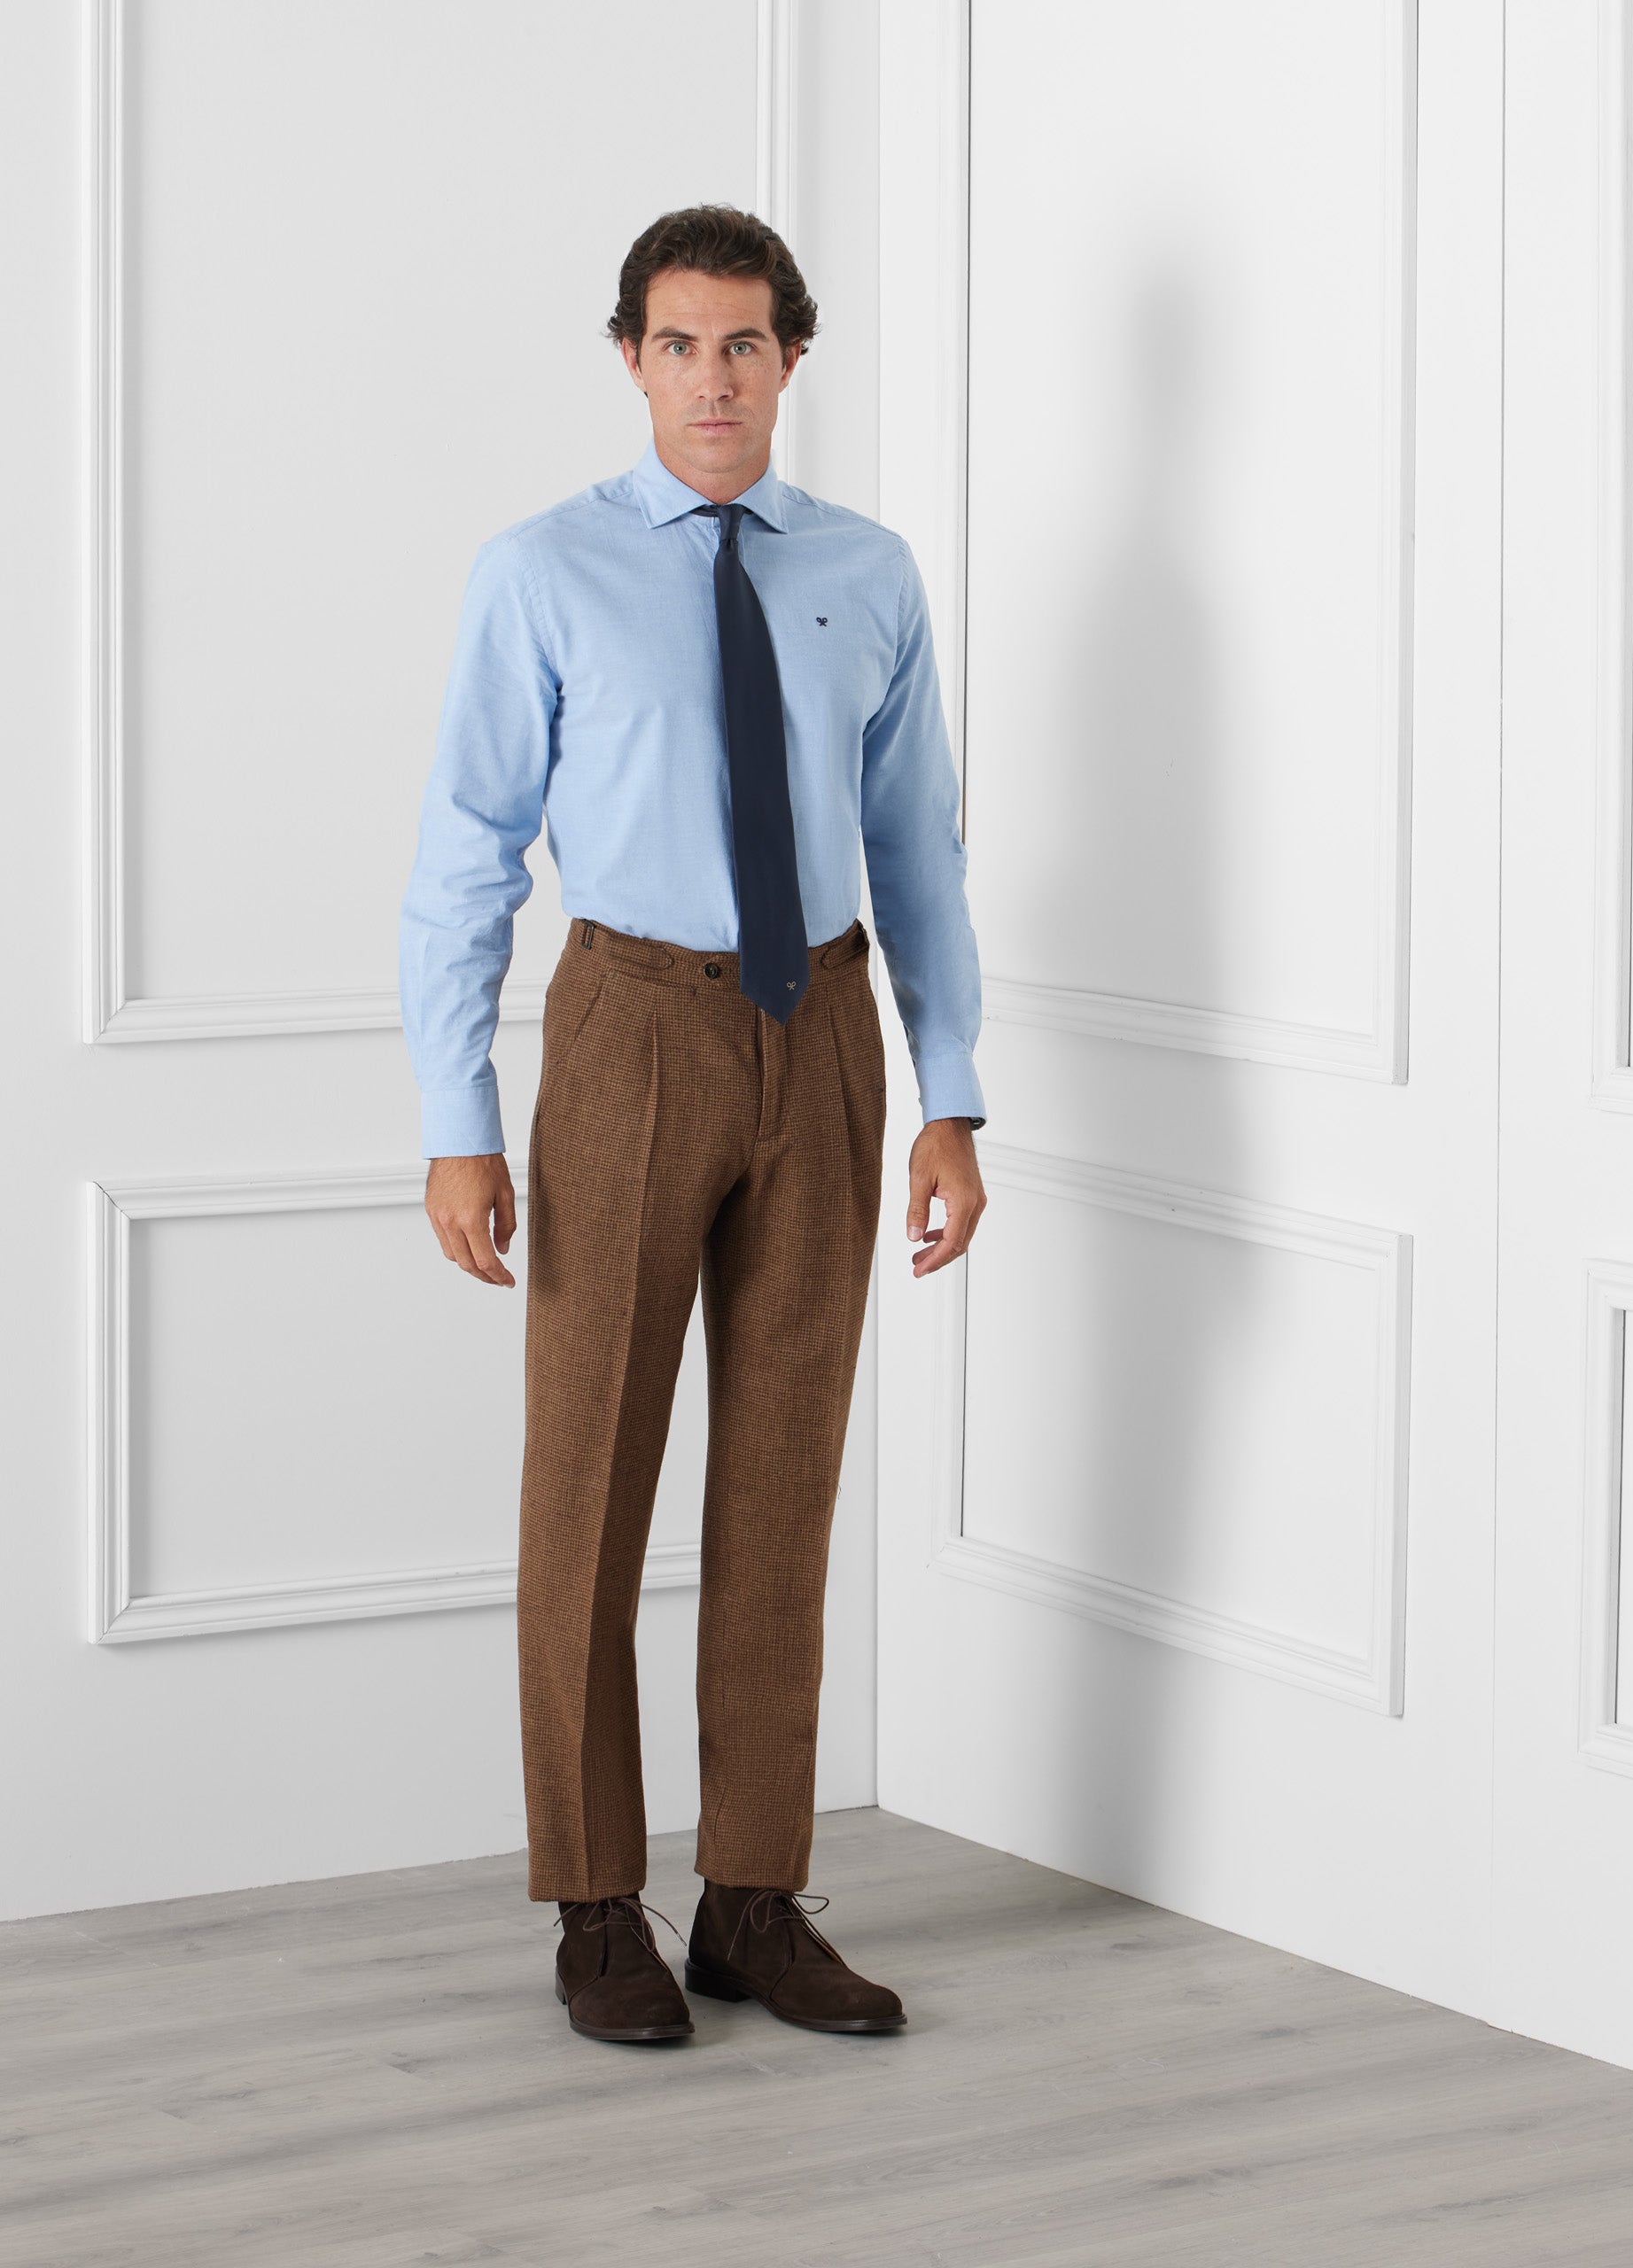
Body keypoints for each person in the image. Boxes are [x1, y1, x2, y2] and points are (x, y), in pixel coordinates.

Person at [399, 205, 988, 2045]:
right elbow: (466, 854)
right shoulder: (540, 572)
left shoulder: (869, 572)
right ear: (631, 359)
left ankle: (749, 1898)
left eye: (744, 344)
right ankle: (596, 1903)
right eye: (678, 344)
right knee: (588, 1476)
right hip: (632, 1027)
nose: (712, 379)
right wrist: (458, 1117)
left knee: (784, 1482)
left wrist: (951, 1094)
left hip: (824, 1032)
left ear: (792, 357)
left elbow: (918, 850)